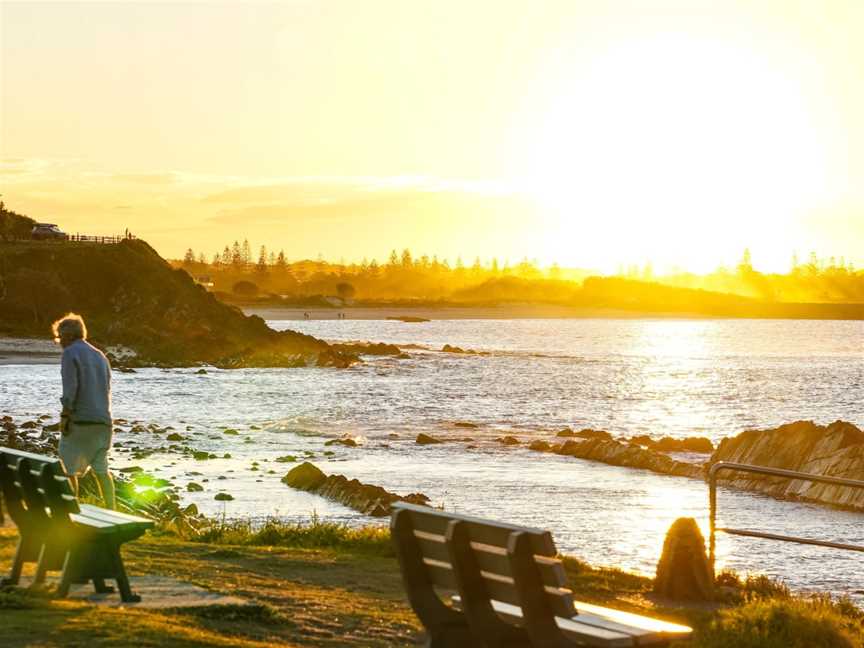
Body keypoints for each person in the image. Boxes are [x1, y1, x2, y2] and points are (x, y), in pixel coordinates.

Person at [52, 313, 115, 509]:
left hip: (81, 422)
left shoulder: (70, 353)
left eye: (59, 337)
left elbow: (71, 389)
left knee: (68, 468)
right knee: (102, 470)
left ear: (67, 336)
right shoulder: (100, 356)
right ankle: (111, 509)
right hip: (103, 423)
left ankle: (72, 510)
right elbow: (106, 389)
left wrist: (65, 416)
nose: (59, 341)